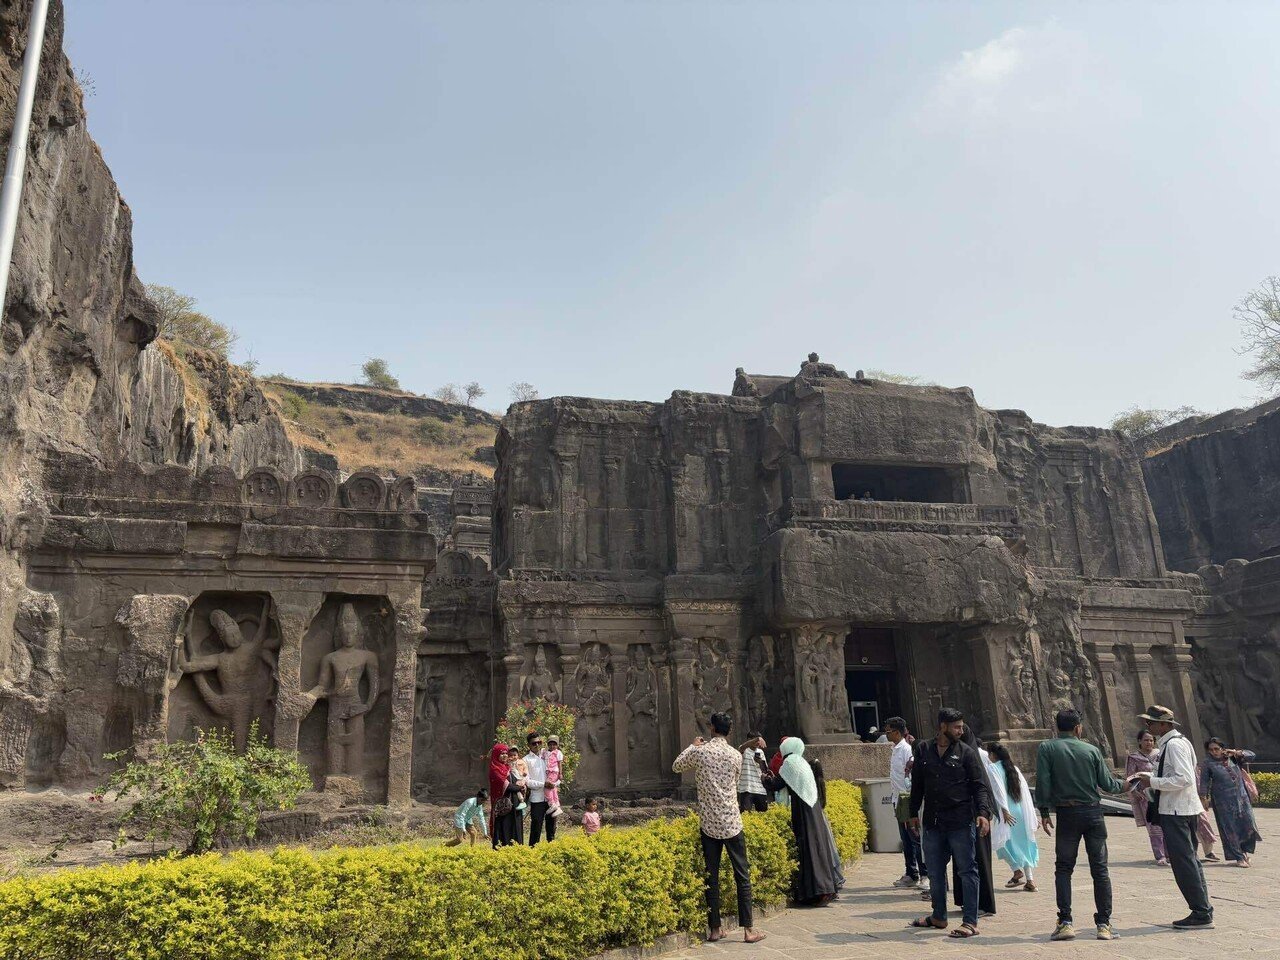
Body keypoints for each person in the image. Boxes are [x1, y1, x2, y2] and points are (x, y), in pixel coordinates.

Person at [672, 712, 766, 945]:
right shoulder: (736, 755)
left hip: (709, 823)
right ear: (729, 731)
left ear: (712, 728)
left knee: (711, 876)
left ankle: (715, 929)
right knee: (742, 876)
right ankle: (748, 931)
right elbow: (735, 781)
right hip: (732, 821)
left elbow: (676, 766)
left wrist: (692, 747)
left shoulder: (701, 752)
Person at [1035, 707, 1126, 941]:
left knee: (1064, 868)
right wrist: (1128, 784)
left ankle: (1065, 922)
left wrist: (1044, 810)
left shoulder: (1047, 748)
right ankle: (1104, 925)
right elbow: (1108, 784)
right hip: (1094, 813)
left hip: (1067, 815)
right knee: (1100, 869)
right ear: (1078, 728)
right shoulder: (1091, 750)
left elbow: (1043, 781)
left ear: (1058, 727)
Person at [907, 707, 992, 939]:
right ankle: (938, 916)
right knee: (934, 872)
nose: (960, 730)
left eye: (961, 726)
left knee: (967, 871)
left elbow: (979, 785)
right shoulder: (924, 749)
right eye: (956, 727)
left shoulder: (966, 752)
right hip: (933, 822)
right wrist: (912, 812)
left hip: (960, 822)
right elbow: (917, 785)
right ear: (942, 726)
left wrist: (983, 812)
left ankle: (970, 922)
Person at [1130, 705, 1213, 929]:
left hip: (1178, 810)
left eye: (1151, 723)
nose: (1148, 726)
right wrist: (1148, 777)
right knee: (1189, 861)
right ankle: (1202, 908)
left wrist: (1153, 782)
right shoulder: (1175, 743)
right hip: (1179, 808)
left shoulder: (1175, 745)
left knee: (1184, 862)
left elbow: (1184, 778)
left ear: (1165, 724)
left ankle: (1201, 912)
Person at [778, 738, 844, 905]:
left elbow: (776, 784)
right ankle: (825, 889)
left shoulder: (790, 763)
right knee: (818, 848)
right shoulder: (801, 762)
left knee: (809, 851)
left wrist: (764, 776)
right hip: (812, 809)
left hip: (803, 812)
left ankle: (819, 892)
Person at [953, 726, 999, 919]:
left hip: (977, 814)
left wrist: (983, 812)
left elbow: (981, 789)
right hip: (960, 816)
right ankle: (967, 899)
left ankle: (983, 902)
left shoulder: (972, 760)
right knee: (963, 859)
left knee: (978, 858)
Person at [987, 741, 1040, 892]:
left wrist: (1004, 810)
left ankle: (1016, 870)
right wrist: (1032, 815)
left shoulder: (993, 768)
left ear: (992, 755)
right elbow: (1025, 794)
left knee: (1002, 843)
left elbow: (997, 790)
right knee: (1024, 845)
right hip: (1021, 811)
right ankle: (1030, 880)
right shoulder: (1013, 768)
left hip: (1007, 813)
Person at [1200, 737, 1261, 866]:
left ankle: (1244, 851)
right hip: (1223, 801)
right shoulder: (1208, 763)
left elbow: (1252, 755)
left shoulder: (1233, 758)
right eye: (1211, 750)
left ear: (1223, 748)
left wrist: (1236, 752)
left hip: (1242, 798)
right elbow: (1204, 782)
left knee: (1248, 824)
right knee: (1230, 828)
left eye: (1216, 749)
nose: (1214, 752)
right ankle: (1238, 857)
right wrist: (1203, 798)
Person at [886, 717, 927, 891]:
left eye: (888, 731)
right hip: (898, 800)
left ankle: (924, 874)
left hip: (908, 801)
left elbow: (910, 777)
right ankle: (911, 873)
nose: (886, 735)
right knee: (906, 839)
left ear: (896, 732)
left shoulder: (906, 749)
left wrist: (911, 805)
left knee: (915, 839)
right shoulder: (895, 749)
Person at [1125, 730, 1168, 865]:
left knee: (1167, 824)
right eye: (1146, 740)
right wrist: (1135, 792)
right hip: (1146, 796)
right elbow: (1131, 777)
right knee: (1153, 826)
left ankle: (1170, 853)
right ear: (1139, 741)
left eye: (1151, 740)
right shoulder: (1134, 757)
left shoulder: (1160, 754)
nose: (1149, 743)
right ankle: (1160, 855)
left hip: (1163, 793)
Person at [488, 743, 525, 847]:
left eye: (506, 753)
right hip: (503, 807)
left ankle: (517, 850)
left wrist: (521, 783)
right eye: (502, 753)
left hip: (514, 805)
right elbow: (507, 786)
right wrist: (520, 787)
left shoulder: (507, 768)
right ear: (496, 755)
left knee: (515, 828)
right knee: (505, 828)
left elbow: (516, 780)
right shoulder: (495, 769)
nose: (505, 755)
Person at [522, 733, 555, 845]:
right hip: (537, 798)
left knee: (552, 827)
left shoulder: (548, 755)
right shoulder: (525, 760)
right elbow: (527, 781)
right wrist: (543, 784)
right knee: (536, 826)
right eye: (533, 743)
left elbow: (555, 771)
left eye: (539, 742)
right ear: (529, 745)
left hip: (551, 798)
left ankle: (552, 850)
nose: (537, 745)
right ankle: (533, 852)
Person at [738, 732, 770, 813]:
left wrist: (760, 762)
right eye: (756, 740)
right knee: (745, 814)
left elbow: (765, 771)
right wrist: (757, 739)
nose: (758, 743)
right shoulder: (744, 749)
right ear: (749, 740)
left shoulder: (760, 752)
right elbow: (742, 747)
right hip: (746, 787)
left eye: (759, 741)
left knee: (763, 814)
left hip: (760, 788)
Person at [543, 735, 564, 821]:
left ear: (557, 745)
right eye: (550, 744)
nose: (552, 746)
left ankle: (552, 804)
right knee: (553, 789)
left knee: (547, 787)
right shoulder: (545, 752)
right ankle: (558, 806)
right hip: (548, 772)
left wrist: (560, 774)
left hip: (554, 772)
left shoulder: (558, 752)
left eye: (554, 744)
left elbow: (560, 764)